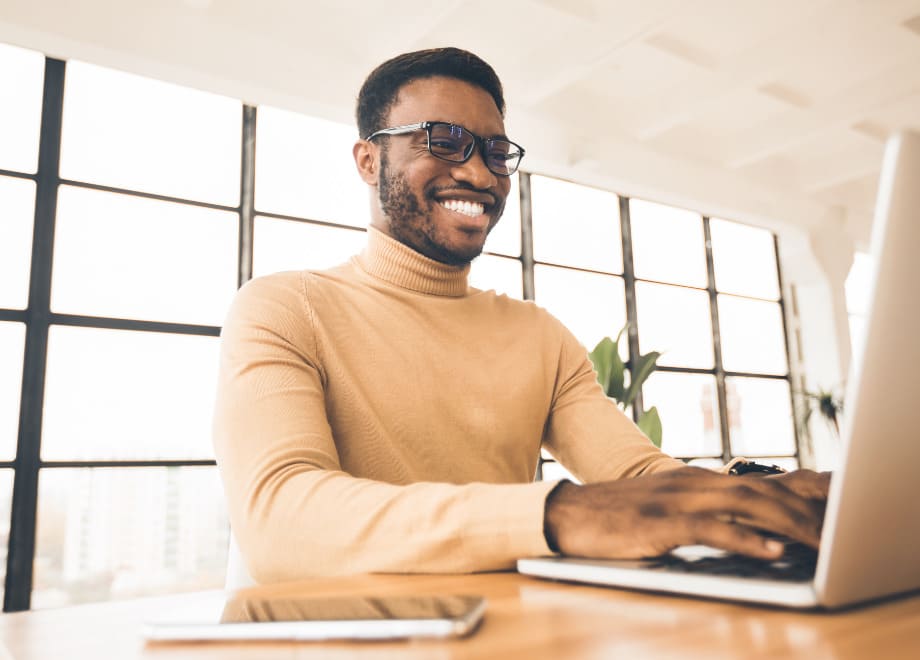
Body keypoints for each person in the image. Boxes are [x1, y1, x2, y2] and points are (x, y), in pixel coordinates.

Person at [213, 47, 829, 584]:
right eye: (443, 140)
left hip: (505, 632)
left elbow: (640, 476)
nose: (480, 174)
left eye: (496, 151)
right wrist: (556, 513)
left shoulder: (538, 336)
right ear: (369, 161)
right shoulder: (284, 308)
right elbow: (278, 518)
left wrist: (762, 493)